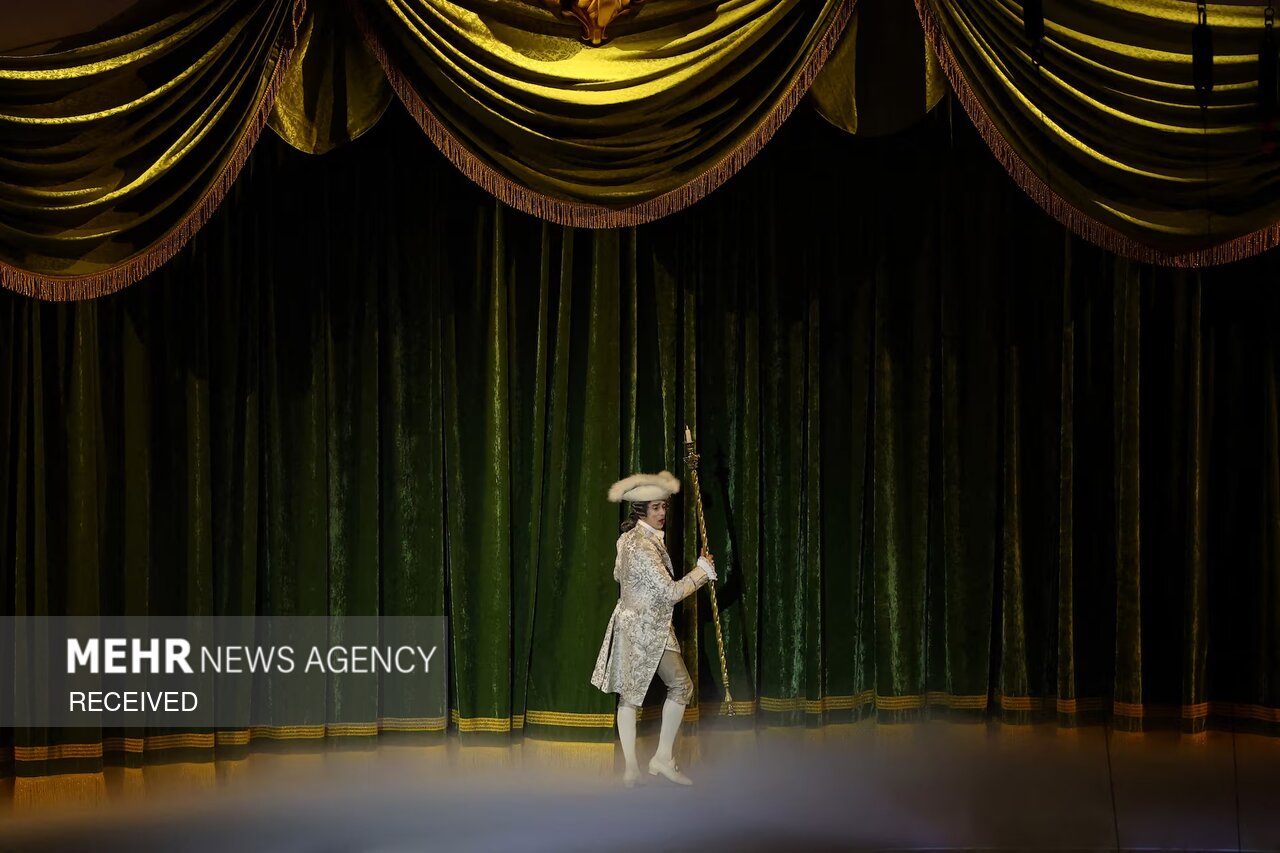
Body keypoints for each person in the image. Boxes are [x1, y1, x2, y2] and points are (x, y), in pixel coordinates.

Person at [590, 470, 717, 787]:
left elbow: (618, 575)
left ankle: (641, 766)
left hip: (632, 623)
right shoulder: (643, 547)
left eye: (664, 507)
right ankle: (650, 762)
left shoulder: (627, 539)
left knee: (632, 697)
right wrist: (701, 572)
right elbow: (671, 593)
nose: (663, 513)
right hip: (648, 628)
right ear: (642, 510)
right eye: (656, 507)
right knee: (675, 687)